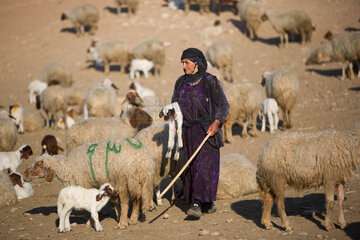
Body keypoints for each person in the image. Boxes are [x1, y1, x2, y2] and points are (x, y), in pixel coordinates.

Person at [171, 47, 229, 218]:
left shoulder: (210, 81)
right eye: (182, 63)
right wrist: (171, 113)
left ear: (197, 63)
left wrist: (217, 122)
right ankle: (206, 202)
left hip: (206, 131)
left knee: (204, 166)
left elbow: (223, 105)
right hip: (187, 131)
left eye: (187, 63)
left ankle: (197, 202)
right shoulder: (180, 82)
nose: (184, 66)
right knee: (190, 167)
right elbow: (174, 103)